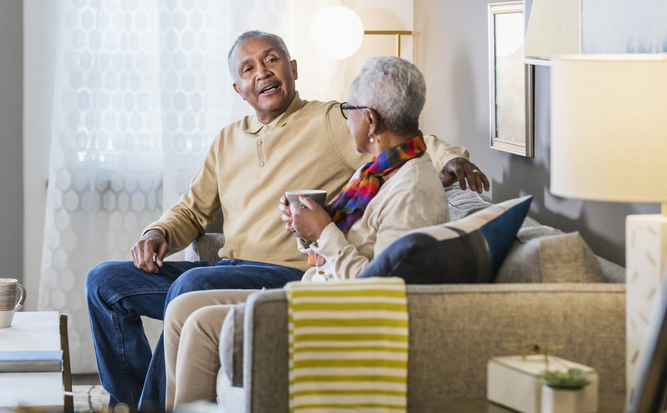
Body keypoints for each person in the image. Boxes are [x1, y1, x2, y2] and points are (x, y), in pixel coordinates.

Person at [85, 30, 490, 410]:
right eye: (249, 69)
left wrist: (453, 156)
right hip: (227, 270)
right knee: (104, 281)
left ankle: (152, 406)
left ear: (293, 69)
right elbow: (192, 209)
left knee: (193, 283)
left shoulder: (333, 120)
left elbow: (405, 134)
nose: (262, 72)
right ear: (238, 89)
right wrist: (157, 232)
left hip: (284, 274)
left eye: (272, 60)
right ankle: (134, 399)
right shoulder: (227, 139)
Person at [164, 55, 449, 409]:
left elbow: (383, 292)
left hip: (333, 311)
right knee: (181, 308)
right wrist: (310, 226)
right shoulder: (379, 172)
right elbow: (357, 242)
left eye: (351, 109)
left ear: (370, 120)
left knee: (200, 322)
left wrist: (326, 230)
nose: (348, 120)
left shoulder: (411, 193)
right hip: (316, 287)